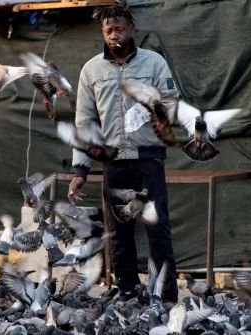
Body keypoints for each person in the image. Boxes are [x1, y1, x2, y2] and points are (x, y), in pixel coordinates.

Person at [67, 3, 179, 303]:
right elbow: (85, 121)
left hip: (148, 160)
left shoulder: (154, 64)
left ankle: (166, 293)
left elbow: (170, 101)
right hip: (113, 163)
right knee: (118, 231)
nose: (113, 34)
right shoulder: (92, 70)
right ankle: (127, 290)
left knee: (157, 228)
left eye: (118, 28)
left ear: (131, 30)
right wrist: (80, 170)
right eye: (108, 30)